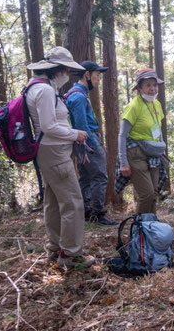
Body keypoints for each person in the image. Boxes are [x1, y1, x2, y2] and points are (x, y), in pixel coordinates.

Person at [25, 47, 96, 269]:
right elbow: (48, 126)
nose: (67, 74)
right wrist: (75, 134)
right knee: (73, 202)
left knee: (54, 201)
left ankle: (55, 247)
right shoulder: (45, 91)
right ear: (58, 69)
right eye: (66, 69)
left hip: (46, 152)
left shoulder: (34, 87)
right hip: (54, 152)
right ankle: (71, 254)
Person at [65, 61, 117, 226]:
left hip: (80, 144)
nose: (98, 80)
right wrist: (94, 143)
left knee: (86, 177)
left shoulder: (75, 94)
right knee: (100, 176)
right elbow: (81, 125)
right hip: (87, 141)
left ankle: (86, 211)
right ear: (87, 74)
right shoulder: (78, 96)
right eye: (97, 75)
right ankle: (97, 213)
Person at [117, 68, 168, 214]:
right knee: (146, 194)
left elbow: (158, 129)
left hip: (153, 154)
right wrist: (123, 162)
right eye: (148, 85)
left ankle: (150, 227)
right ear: (139, 87)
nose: (152, 89)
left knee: (153, 194)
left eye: (155, 85)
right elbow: (122, 135)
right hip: (136, 153)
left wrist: (161, 149)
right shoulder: (133, 106)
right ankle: (139, 229)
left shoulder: (156, 104)